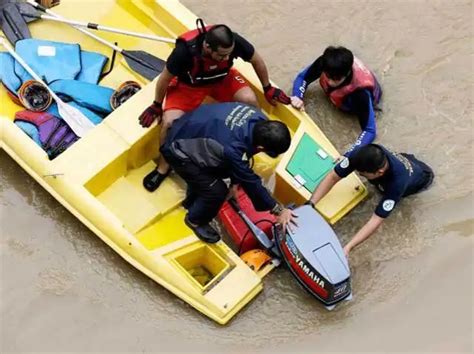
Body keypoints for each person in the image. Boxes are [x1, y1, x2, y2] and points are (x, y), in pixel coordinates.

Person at [138, 21, 291, 192]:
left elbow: (257, 59)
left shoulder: (234, 42)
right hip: (189, 86)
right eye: (222, 55)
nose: (227, 58)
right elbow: (165, 78)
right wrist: (157, 104)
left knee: (249, 100)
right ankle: (163, 167)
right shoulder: (184, 52)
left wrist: (267, 87)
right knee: (169, 122)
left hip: (222, 79)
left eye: (229, 54)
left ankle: (264, 139)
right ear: (207, 47)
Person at [160, 102, 297, 243]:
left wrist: (234, 183)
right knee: (217, 191)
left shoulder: (258, 116)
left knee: (224, 170)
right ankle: (195, 220)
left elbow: (242, 159)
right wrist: (278, 210)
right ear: (261, 147)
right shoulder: (232, 149)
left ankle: (192, 200)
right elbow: (250, 181)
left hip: (191, 127)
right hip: (177, 150)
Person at [307, 144, 434, 257]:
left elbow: (376, 220)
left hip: (420, 180)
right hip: (406, 160)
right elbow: (333, 177)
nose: (360, 174)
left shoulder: (397, 183)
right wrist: (311, 204)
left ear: (379, 172)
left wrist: (348, 247)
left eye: (362, 174)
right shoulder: (362, 154)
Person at [291, 46, 382, 156]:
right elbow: (302, 78)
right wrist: (297, 96)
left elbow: (370, 131)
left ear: (347, 74)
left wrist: (350, 154)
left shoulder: (360, 93)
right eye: (328, 76)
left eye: (336, 79)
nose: (330, 82)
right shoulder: (325, 63)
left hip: (355, 103)